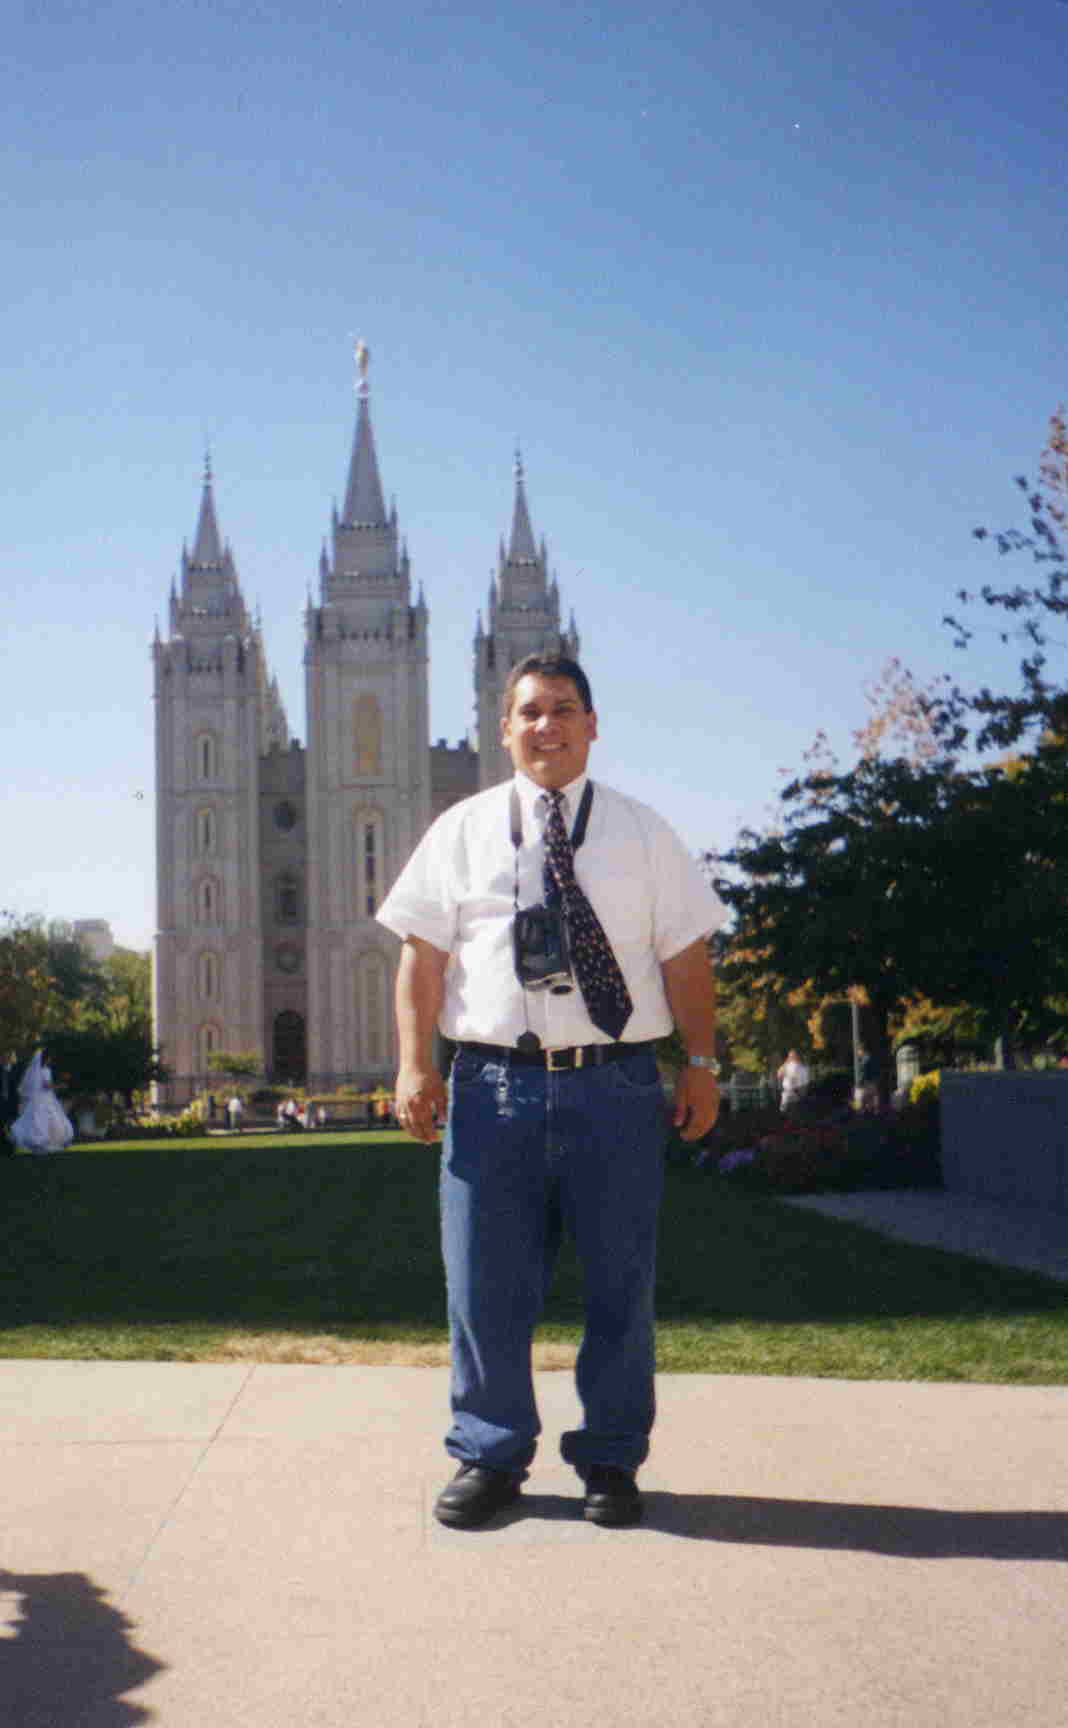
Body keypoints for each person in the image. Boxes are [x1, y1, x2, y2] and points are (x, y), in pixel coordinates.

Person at [377, 652, 724, 1530]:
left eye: (564, 709)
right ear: (504, 730)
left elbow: (687, 956)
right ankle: (490, 1455)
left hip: (615, 1086)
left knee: (619, 1287)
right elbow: (422, 956)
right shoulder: (460, 831)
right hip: (491, 1087)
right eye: (529, 711)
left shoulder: (643, 832)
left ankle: (610, 1459)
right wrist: (415, 1064)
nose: (547, 725)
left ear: (592, 725)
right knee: (483, 1287)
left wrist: (701, 1062)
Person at [11, 1050, 74, 1156]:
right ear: (45, 1059)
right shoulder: (44, 1070)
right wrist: (60, 1085)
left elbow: (45, 1085)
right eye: (49, 1058)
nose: (50, 1060)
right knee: (46, 1118)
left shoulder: (41, 1070)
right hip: (44, 1098)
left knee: (46, 1119)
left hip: (44, 1097)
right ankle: (43, 1142)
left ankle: (47, 1142)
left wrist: (57, 1085)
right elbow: (46, 1085)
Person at [776, 1049, 809, 1113]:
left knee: (794, 1112)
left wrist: (801, 1094)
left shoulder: (803, 1068)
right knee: (783, 1111)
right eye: (790, 1056)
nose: (791, 1057)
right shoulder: (786, 1066)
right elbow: (779, 1074)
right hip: (787, 1094)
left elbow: (805, 1083)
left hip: (797, 1093)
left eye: (792, 1056)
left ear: (797, 1056)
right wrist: (786, 1063)